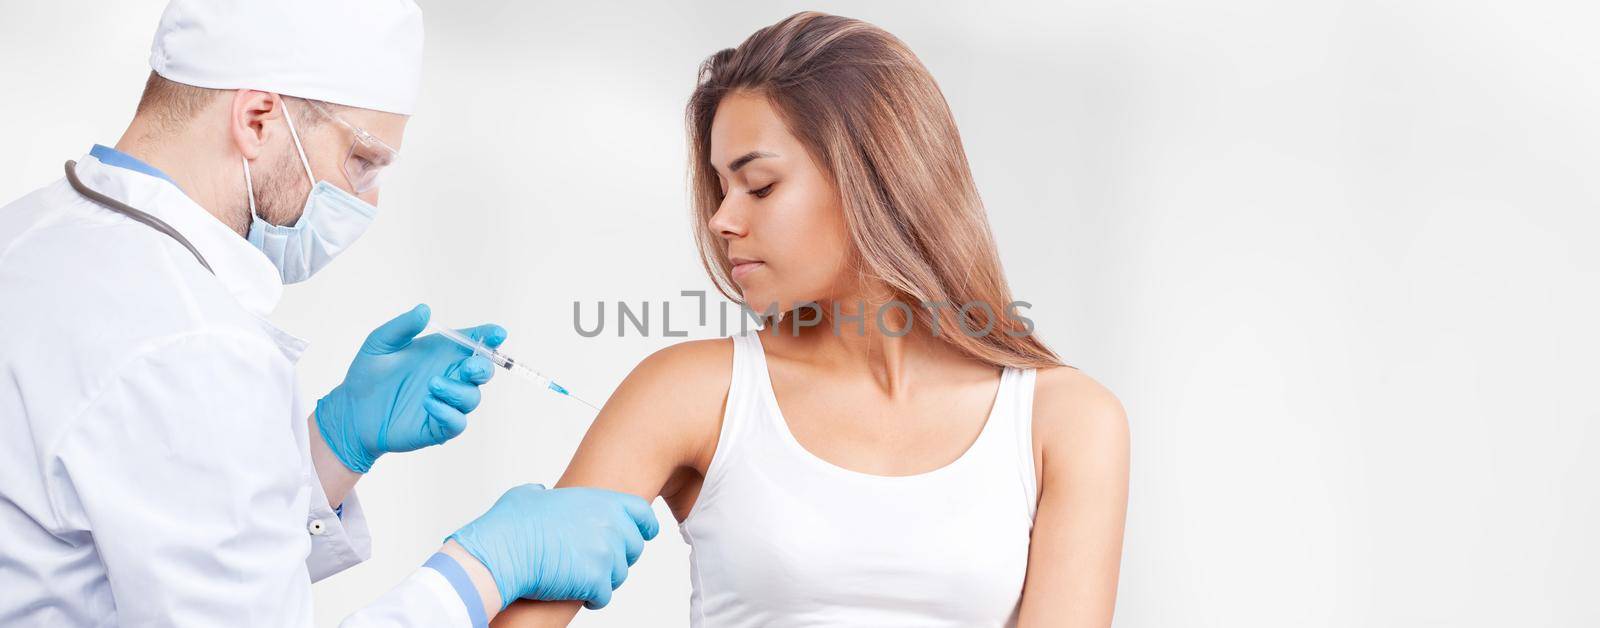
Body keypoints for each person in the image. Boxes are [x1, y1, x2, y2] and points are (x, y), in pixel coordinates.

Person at [0, 1, 657, 626]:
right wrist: (484, 569)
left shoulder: (32, 232)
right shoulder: (191, 345)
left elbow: (164, 544)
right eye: (362, 161)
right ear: (257, 118)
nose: (367, 202)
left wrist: (332, 449)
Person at [493, 11, 1131, 628]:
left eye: (760, 186)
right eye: (721, 189)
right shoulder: (689, 395)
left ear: (875, 179)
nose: (722, 220)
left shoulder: (1064, 422)